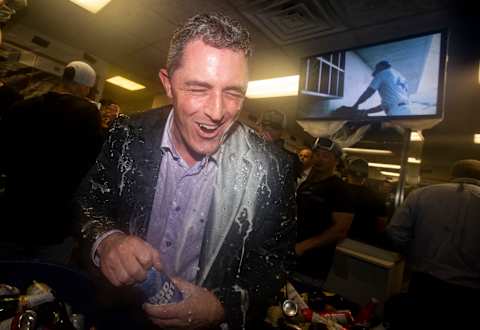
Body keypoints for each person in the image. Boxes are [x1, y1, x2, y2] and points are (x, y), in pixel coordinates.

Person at [75, 13, 296, 330]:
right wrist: (106, 240)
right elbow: (87, 201)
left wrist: (222, 305)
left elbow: (277, 260)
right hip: (116, 313)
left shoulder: (273, 169)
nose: (217, 112)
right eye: (198, 88)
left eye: (233, 92)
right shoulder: (125, 134)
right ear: (168, 84)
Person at [0, 60, 103, 263]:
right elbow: (91, 165)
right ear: (83, 87)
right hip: (54, 223)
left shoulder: (23, 106)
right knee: (44, 288)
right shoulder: (88, 114)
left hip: (12, 213)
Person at [385, 159, 480, 328]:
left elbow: (396, 232)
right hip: (469, 294)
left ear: (453, 175)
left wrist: (414, 255)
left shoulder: (421, 194)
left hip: (424, 284)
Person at [295, 138, 353, 283]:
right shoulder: (307, 184)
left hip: (313, 263)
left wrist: (303, 246)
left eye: (326, 156)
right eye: (317, 155)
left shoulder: (340, 189)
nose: (320, 159)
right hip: (290, 255)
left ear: (336, 161)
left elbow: (341, 229)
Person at [345, 158, 386, 245]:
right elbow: (381, 224)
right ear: (366, 176)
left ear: (348, 173)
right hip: (365, 244)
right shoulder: (377, 197)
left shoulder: (337, 190)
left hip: (338, 240)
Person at [258, 109, 302, 180]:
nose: (268, 129)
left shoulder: (290, 160)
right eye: (264, 125)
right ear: (259, 126)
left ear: (282, 131)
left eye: (274, 127)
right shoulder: (248, 148)